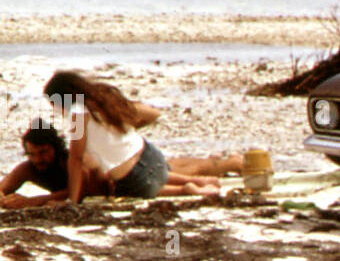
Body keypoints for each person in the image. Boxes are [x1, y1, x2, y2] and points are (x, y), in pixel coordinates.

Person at [41, 71, 240, 202]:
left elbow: (75, 158)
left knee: (122, 187)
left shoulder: (77, 112)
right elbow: (152, 113)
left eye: (54, 103)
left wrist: (72, 201)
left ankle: (187, 189)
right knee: (148, 176)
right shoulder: (104, 99)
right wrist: (125, 129)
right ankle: (199, 182)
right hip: (154, 157)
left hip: (136, 180)